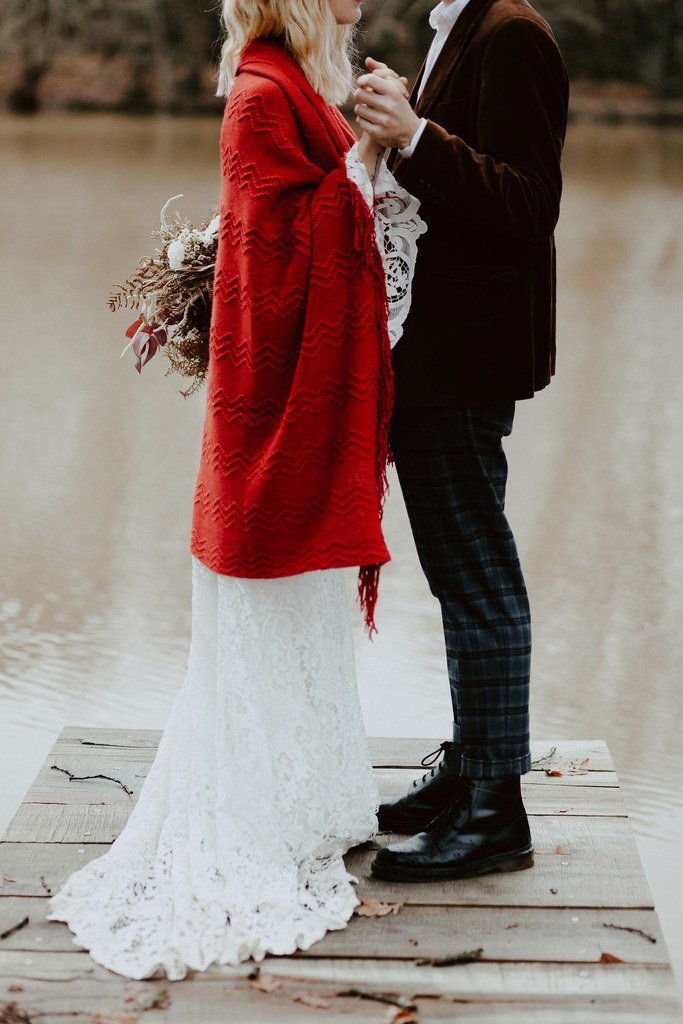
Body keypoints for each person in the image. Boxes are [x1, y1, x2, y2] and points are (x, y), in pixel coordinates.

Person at [46, 0, 426, 980]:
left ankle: (302, 808)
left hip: (294, 422)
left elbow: (299, 214)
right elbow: (272, 255)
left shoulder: (301, 81)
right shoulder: (260, 92)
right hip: (266, 432)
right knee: (268, 629)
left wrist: (361, 158)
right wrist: (364, 170)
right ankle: (251, 821)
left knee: (304, 632)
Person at [353, 0, 569, 881]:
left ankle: (494, 815)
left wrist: (414, 135)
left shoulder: (509, 28)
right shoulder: (458, 24)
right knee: (461, 576)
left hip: (465, 362)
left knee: (479, 577)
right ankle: (471, 775)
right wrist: (408, 127)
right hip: (439, 357)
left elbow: (529, 203)